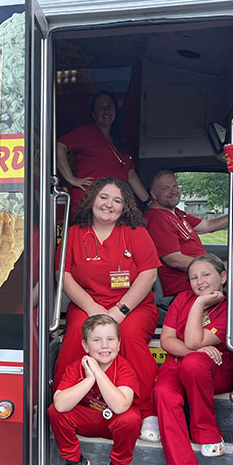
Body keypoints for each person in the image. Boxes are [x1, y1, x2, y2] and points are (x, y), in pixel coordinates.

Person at [53, 177, 161, 441]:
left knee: (129, 337)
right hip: (88, 303)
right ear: (92, 200)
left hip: (133, 306)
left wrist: (119, 311)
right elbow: (64, 275)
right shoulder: (75, 233)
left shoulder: (135, 232)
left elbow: (149, 274)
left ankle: (147, 412)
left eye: (117, 200)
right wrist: (92, 308)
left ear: (125, 208)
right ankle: (70, 403)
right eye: (104, 197)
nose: (109, 205)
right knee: (79, 333)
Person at [153, 253, 233, 465]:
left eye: (206, 275)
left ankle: (205, 429)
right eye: (193, 278)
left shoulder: (229, 306)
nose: (199, 282)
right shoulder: (181, 299)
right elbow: (166, 341)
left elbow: (193, 340)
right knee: (163, 392)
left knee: (195, 363)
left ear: (223, 277)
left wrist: (199, 305)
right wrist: (193, 349)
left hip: (214, 368)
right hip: (176, 364)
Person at [48, 314, 141, 465]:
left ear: (119, 344)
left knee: (130, 418)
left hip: (113, 424)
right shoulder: (76, 367)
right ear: (85, 346)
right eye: (96, 340)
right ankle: (75, 462)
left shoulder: (124, 368)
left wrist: (97, 372)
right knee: (55, 412)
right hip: (87, 419)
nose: (105, 346)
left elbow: (121, 406)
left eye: (110, 339)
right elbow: (59, 404)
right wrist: (89, 379)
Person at [56, 91, 151, 213]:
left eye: (110, 106)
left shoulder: (119, 141)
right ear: (94, 114)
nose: (106, 111)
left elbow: (130, 175)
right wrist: (71, 178)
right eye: (101, 107)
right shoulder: (85, 133)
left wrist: (148, 202)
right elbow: (59, 146)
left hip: (114, 207)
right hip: (89, 205)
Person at [145, 169, 228, 297]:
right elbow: (174, 259)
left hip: (199, 283)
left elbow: (207, 226)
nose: (173, 192)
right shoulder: (158, 219)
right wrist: (215, 268)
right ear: (154, 195)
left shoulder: (176, 213)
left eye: (175, 186)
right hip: (187, 289)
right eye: (166, 189)